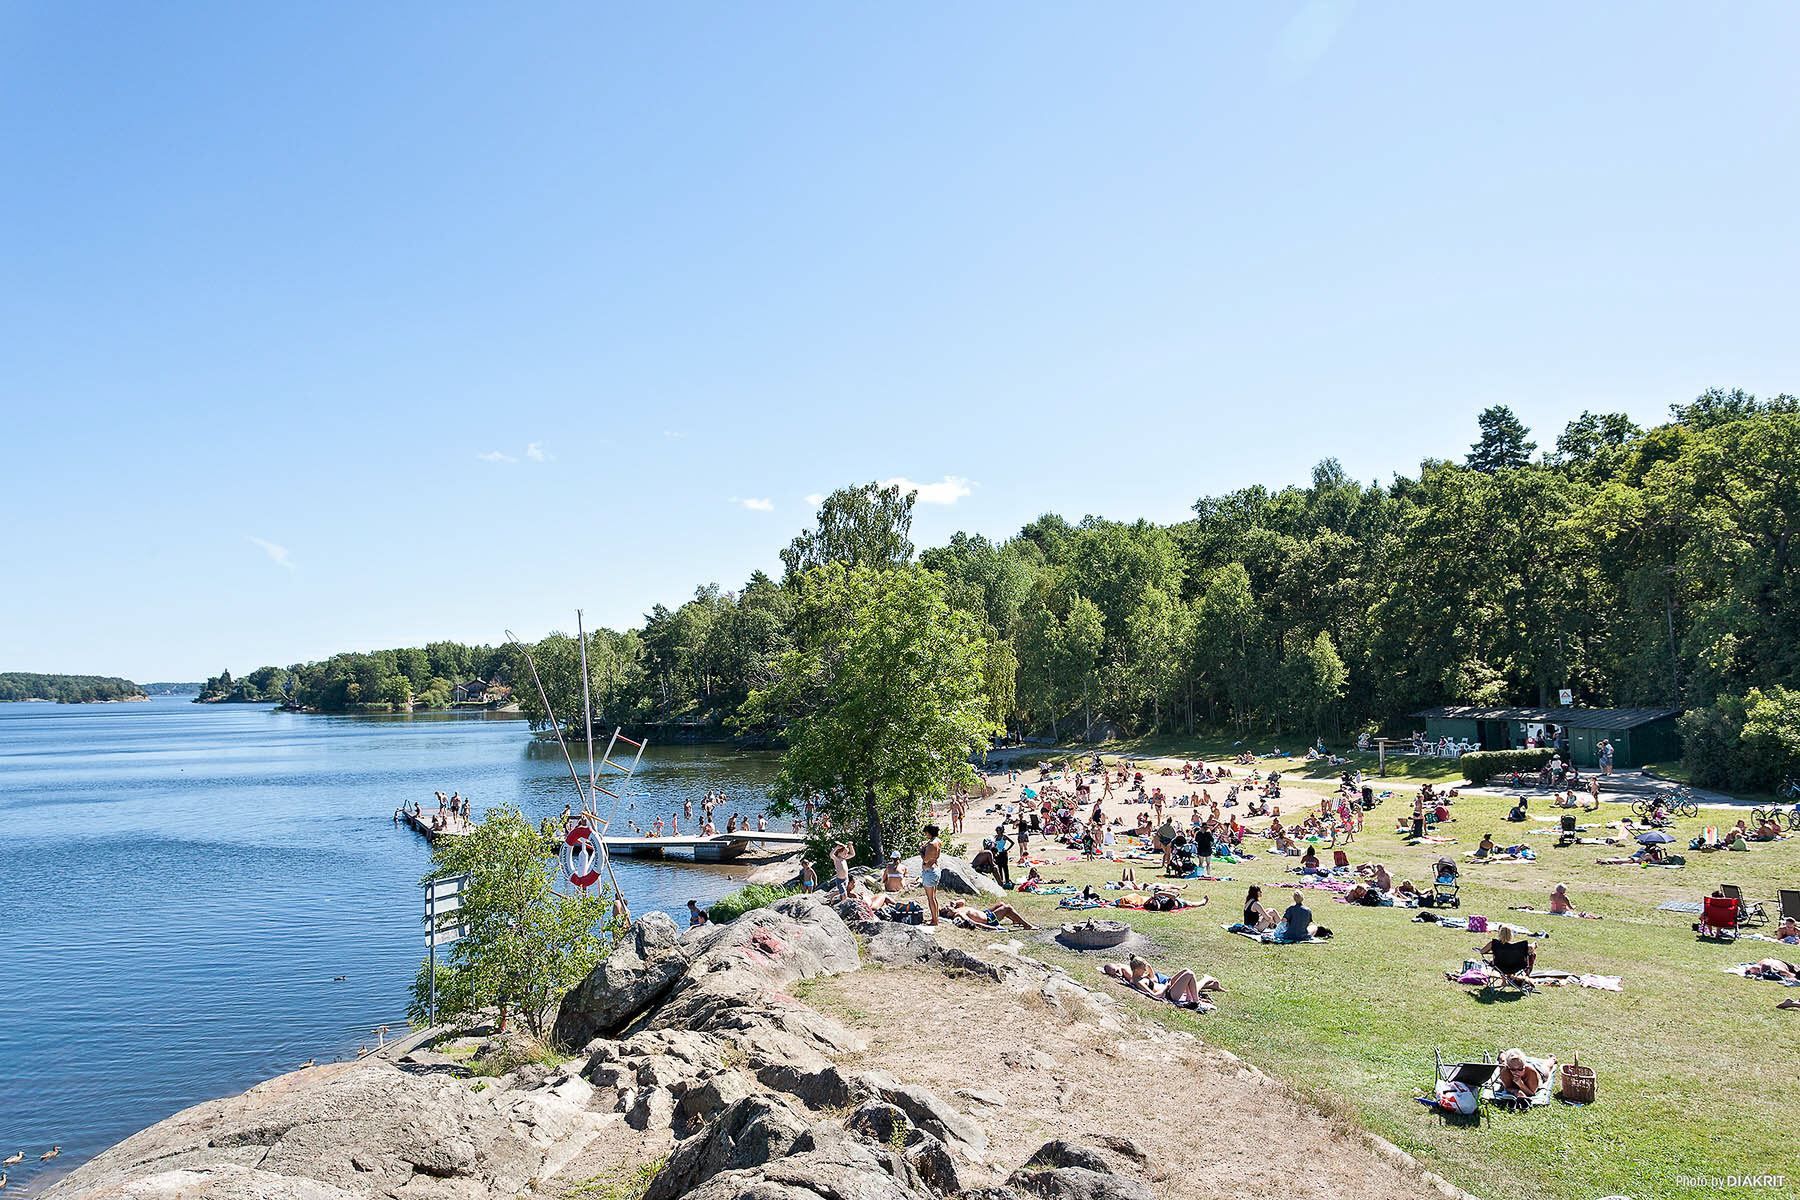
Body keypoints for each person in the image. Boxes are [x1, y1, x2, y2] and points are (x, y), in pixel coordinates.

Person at [943, 898, 1034, 929]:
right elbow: (974, 924)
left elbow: (963, 901)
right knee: (1008, 908)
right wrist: (992, 928)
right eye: (947, 909)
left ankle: (1015, 920)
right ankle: (1027, 925)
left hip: (985, 913)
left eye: (947, 906)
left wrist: (954, 902)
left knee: (1001, 904)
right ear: (948, 915)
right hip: (989, 920)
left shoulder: (957, 908)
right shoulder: (958, 915)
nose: (948, 907)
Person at [918, 822, 944, 926]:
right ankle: (935, 918)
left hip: (929, 872)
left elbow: (926, 859)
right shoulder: (937, 841)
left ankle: (934, 921)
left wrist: (921, 850)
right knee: (934, 897)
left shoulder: (931, 845)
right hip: (935, 870)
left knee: (930, 898)